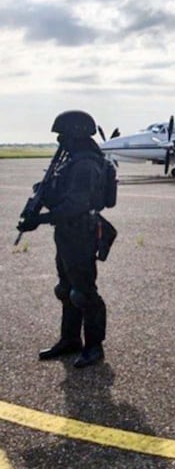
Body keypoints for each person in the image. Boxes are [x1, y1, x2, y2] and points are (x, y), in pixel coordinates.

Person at [16, 110, 117, 368]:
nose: (60, 139)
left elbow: (75, 205)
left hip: (81, 232)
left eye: (63, 134)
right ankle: (70, 340)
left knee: (83, 292)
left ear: (76, 133)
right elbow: (60, 196)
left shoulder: (86, 165)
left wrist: (37, 221)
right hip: (66, 232)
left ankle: (94, 347)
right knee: (66, 289)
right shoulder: (71, 161)